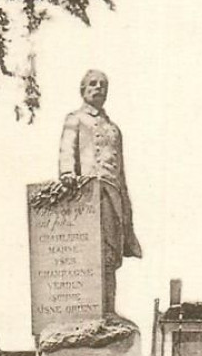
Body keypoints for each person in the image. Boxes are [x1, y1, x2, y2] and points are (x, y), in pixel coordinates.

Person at [59, 70, 142, 313]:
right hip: (86, 192)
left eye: (103, 84)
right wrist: (66, 174)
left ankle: (108, 309)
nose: (98, 88)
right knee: (88, 252)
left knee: (110, 254)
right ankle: (88, 309)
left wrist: (126, 208)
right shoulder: (75, 119)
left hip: (112, 194)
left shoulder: (114, 129)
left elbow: (121, 171)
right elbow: (67, 151)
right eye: (93, 84)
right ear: (83, 89)